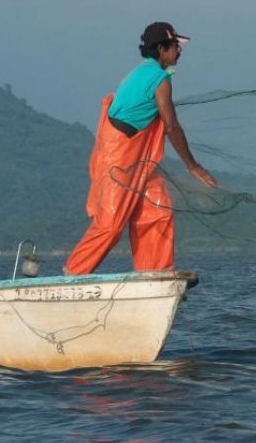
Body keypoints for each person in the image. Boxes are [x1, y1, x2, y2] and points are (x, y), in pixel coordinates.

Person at [64, 22, 217, 275]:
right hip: (119, 157)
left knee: (157, 210)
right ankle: (73, 274)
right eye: (175, 46)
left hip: (139, 161)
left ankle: (153, 274)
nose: (179, 51)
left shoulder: (144, 73)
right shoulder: (158, 79)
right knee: (111, 224)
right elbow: (172, 127)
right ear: (161, 48)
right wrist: (194, 166)